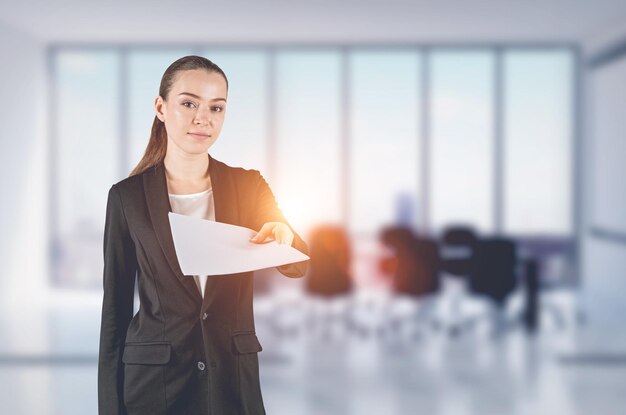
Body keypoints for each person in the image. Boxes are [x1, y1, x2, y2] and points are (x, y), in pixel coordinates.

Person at [97, 55, 309, 415]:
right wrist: (109, 407)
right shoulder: (126, 197)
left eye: (217, 107)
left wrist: (283, 233)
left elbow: (297, 263)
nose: (203, 118)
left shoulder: (248, 185)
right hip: (154, 385)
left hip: (231, 380)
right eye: (189, 103)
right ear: (161, 108)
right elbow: (115, 310)